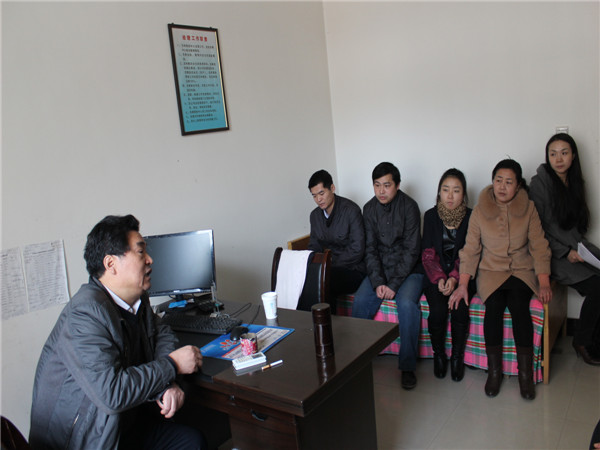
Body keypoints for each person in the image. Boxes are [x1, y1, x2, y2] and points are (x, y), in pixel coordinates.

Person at [29, 215, 205, 450]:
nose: (150, 259)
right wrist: (172, 365)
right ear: (111, 264)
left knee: (192, 441)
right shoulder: (85, 314)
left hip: (122, 425)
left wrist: (167, 381)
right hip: (89, 440)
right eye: (141, 252)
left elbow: (161, 333)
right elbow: (111, 394)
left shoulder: (136, 299)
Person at [450, 159, 552, 400]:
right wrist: (463, 284)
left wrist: (544, 281)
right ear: (492, 181)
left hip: (520, 270)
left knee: (519, 306)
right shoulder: (480, 210)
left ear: (518, 186)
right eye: (498, 180)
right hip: (491, 271)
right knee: (494, 307)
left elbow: (539, 246)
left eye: (509, 182)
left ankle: (525, 374)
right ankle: (494, 372)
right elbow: (471, 249)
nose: (502, 187)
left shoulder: (529, 208)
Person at [351, 162, 423, 390]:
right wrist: (378, 282)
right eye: (377, 185)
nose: (381, 191)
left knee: (407, 305)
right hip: (380, 269)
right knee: (360, 301)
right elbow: (370, 249)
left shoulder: (410, 207)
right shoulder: (369, 209)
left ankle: (408, 367)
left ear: (397, 185)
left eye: (387, 185)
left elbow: (412, 250)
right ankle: (356, 362)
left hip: (409, 270)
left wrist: (393, 284)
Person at [529, 133, 600, 365]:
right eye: (553, 154)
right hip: (553, 254)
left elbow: (578, 225)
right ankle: (582, 341)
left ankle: (595, 338)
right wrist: (565, 252)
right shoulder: (540, 184)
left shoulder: (575, 182)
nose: (558, 159)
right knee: (597, 287)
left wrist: (580, 250)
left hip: (576, 248)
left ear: (573, 156)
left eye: (564, 153)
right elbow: (536, 230)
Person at [422, 168, 476, 381]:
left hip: (462, 275)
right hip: (435, 275)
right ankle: (439, 355)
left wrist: (454, 278)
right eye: (445, 190)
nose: (450, 196)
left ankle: (457, 357)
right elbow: (428, 253)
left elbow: (470, 252)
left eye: (456, 190)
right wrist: (440, 279)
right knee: (437, 310)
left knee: (460, 308)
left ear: (464, 194)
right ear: (439, 192)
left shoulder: (472, 217)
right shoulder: (430, 216)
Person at [308, 169, 366, 310]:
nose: (318, 199)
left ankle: (329, 322)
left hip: (354, 269)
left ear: (332, 188)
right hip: (329, 267)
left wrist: (329, 263)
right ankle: (310, 320)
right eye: (314, 196)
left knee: (326, 281)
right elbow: (314, 247)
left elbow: (357, 249)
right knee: (307, 279)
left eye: (321, 193)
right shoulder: (314, 216)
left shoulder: (351, 210)